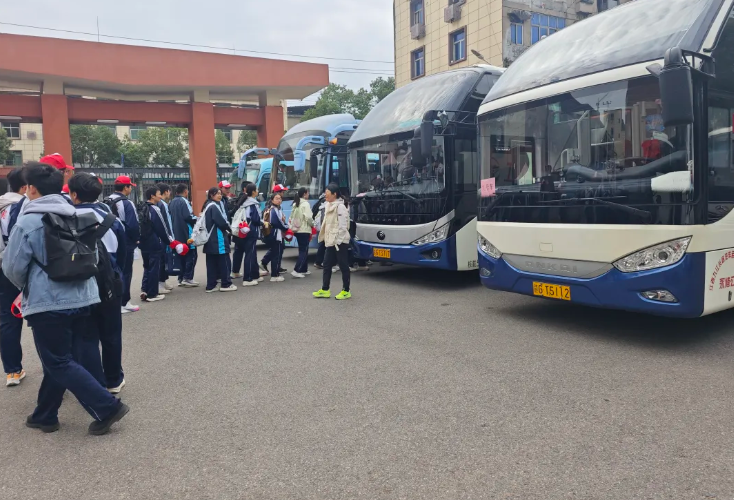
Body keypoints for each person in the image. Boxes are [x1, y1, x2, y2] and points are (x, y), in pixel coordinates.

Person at [2, 162, 129, 435]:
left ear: (31, 189)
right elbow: (95, 256)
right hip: (85, 297)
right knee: (62, 358)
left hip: (48, 301)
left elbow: (12, 267)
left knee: (57, 360)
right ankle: (45, 415)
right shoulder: (79, 215)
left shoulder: (28, 221)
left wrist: (28, 287)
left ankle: (107, 407)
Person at [68, 173, 127, 394]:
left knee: (85, 335)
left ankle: (93, 383)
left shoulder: (64, 218)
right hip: (109, 280)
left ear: (73, 194)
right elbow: (123, 254)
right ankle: (114, 379)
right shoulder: (111, 219)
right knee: (111, 333)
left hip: (77, 281)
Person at [0, 168, 27, 386]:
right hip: (23, 268)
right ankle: (55, 372)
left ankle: (12, 371)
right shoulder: (24, 206)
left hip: (1, 268)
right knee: (42, 317)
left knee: (7, 318)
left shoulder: (2, 205)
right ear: (26, 186)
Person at [105, 176, 141, 314]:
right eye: (130, 186)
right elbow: (133, 224)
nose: (130, 189)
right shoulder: (126, 203)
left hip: (109, 241)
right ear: (126, 187)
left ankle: (113, 301)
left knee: (112, 272)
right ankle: (124, 302)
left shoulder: (107, 200)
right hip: (125, 242)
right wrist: (136, 238)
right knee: (126, 272)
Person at [313, 183, 351, 300]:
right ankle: (325, 289)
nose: (325, 195)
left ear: (334, 194)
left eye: (327, 193)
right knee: (327, 264)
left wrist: (338, 241)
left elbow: (343, 226)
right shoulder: (328, 205)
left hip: (340, 242)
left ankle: (346, 290)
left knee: (343, 265)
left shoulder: (340, 207)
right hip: (330, 241)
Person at [138, 187, 171, 302]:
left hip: (143, 242)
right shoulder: (155, 209)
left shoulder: (142, 207)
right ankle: (152, 294)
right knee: (154, 268)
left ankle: (144, 290)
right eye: (158, 194)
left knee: (147, 267)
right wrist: (169, 241)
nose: (160, 196)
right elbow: (162, 228)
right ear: (152, 196)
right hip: (154, 243)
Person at [203, 187, 237, 292]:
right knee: (224, 260)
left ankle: (211, 285)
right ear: (211, 195)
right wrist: (229, 229)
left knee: (211, 263)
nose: (219, 195)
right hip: (218, 238)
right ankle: (226, 284)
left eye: (220, 193)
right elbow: (221, 222)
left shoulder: (207, 205)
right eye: (217, 193)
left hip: (210, 238)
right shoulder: (214, 206)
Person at [169, 184, 199, 287]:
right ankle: (188, 277)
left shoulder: (172, 202)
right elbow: (188, 216)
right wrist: (197, 219)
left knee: (181, 255)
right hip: (187, 233)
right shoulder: (184, 201)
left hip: (176, 233)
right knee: (192, 255)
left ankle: (181, 278)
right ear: (185, 191)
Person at [237, 183, 264, 286]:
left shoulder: (244, 201)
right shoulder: (252, 203)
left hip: (244, 230)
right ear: (253, 192)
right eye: (256, 189)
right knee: (249, 254)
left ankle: (255, 275)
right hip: (251, 231)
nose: (258, 191)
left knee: (252, 253)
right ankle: (247, 278)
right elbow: (256, 219)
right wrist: (263, 223)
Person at [261, 192, 289, 282]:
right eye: (276, 198)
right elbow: (276, 222)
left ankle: (275, 273)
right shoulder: (273, 210)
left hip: (276, 234)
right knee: (276, 255)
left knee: (276, 253)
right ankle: (275, 275)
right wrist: (286, 226)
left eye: (280, 198)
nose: (279, 200)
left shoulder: (277, 209)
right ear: (272, 200)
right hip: (276, 235)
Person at [289, 187, 314, 278]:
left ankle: (304, 269)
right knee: (304, 250)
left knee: (303, 249)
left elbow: (291, 217)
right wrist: (313, 224)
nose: (308, 194)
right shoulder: (305, 204)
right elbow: (309, 217)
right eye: (307, 193)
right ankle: (297, 270)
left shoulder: (295, 203)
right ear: (304, 194)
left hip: (297, 229)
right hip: (304, 229)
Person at [156, 183, 175, 294]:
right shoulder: (162, 204)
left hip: (162, 237)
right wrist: (170, 237)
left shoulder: (160, 203)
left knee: (164, 260)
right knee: (162, 260)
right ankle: (160, 283)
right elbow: (166, 223)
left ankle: (163, 280)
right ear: (166, 191)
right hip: (164, 237)